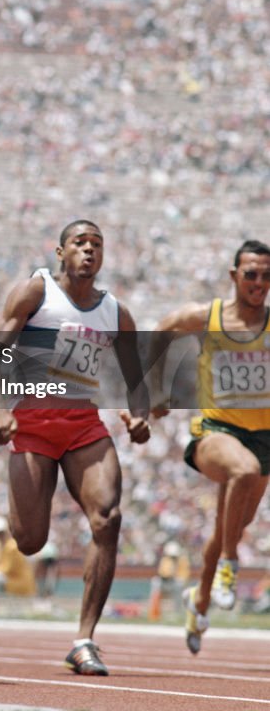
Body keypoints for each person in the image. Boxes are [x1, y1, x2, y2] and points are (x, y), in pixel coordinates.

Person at [0, 219, 150, 676]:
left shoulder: (114, 311)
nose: (89, 251)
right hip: (33, 423)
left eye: (97, 244)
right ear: (61, 252)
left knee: (108, 517)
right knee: (31, 541)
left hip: (83, 425)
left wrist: (139, 416)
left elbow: (139, 380)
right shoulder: (36, 292)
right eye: (79, 243)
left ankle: (84, 640)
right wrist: (1, 410)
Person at [150, 239, 270, 655]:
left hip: (263, 437)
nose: (259, 282)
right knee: (244, 470)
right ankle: (230, 565)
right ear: (234, 276)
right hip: (215, 431)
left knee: (229, 524)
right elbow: (163, 328)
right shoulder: (209, 317)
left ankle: (198, 600)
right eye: (251, 274)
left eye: (266, 275)